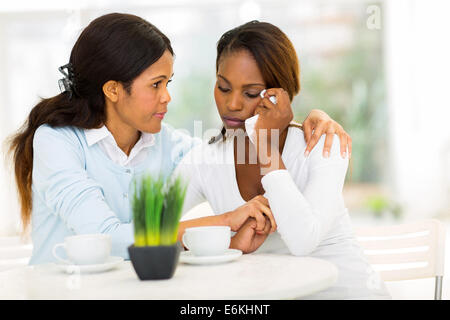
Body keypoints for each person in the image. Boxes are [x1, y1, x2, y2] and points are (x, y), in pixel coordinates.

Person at [7, 13, 351, 265]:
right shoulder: (56, 142)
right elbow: (107, 241)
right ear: (113, 89)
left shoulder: (172, 146)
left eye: (168, 84)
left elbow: (218, 158)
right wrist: (226, 220)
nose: (167, 97)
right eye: (156, 84)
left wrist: (312, 116)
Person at [174, 21, 390, 299]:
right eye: (223, 87)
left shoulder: (324, 143)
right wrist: (227, 228)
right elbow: (146, 233)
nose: (233, 104)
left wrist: (264, 144)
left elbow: (303, 240)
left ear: (281, 96)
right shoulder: (205, 159)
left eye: (251, 93)